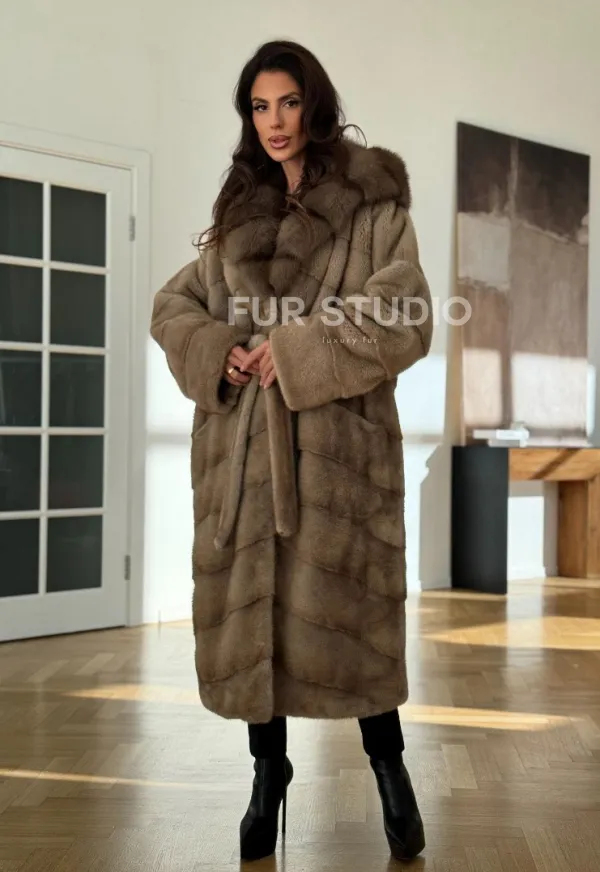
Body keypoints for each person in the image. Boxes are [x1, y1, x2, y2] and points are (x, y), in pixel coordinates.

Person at [150, 39, 433, 863]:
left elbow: (407, 313)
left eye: (288, 102)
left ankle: (390, 769)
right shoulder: (241, 212)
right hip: (246, 458)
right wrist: (221, 352)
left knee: (354, 624)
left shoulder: (374, 209)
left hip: (340, 461)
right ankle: (266, 774)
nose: (274, 121)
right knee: (260, 627)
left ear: (315, 104)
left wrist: (299, 350)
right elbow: (173, 306)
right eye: (259, 106)